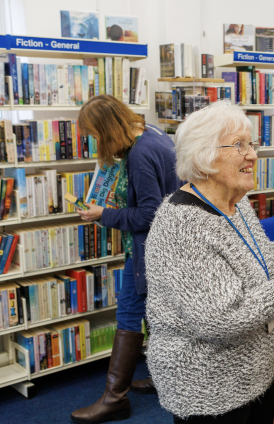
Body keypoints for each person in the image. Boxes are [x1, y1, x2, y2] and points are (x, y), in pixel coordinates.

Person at [144, 100, 274, 424]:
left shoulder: (236, 202)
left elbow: (248, 264)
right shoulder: (182, 227)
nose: (252, 155)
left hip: (253, 375)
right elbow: (221, 319)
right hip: (209, 387)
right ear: (204, 157)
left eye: (252, 144)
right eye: (239, 145)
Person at [70, 95, 181, 424]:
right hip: (170, 246)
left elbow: (149, 214)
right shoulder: (152, 133)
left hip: (151, 249)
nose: (95, 142)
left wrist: (103, 213)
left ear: (107, 129)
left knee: (130, 314)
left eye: (95, 135)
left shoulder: (139, 155)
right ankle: (167, 379)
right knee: (162, 315)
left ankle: (115, 399)